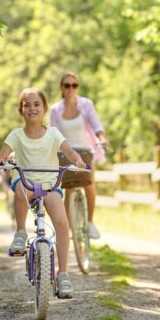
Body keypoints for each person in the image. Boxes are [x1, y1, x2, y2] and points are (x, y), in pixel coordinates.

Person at [0, 87, 87, 299]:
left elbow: (69, 152)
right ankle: (20, 232)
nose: (32, 108)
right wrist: (0, 161)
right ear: (21, 110)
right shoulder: (16, 135)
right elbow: (3, 154)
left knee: (62, 224)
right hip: (27, 182)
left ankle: (63, 275)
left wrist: (78, 161)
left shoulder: (53, 134)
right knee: (20, 191)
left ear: (44, 108)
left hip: (50, 186)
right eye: (27, 105)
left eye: (36, 104)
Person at [50, 72, 109, 240]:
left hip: (85, 150)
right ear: (62, 88)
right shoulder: (55, 109)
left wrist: (102, 139)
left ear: (78, 87)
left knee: (89, 184)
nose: (71, 89)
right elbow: (53, 132)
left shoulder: (86, 104)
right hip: (66, 152)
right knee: (68, 188)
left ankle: (90, 222)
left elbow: (96, 125)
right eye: (67, 85)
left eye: (74, 85)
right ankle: (68, 229)